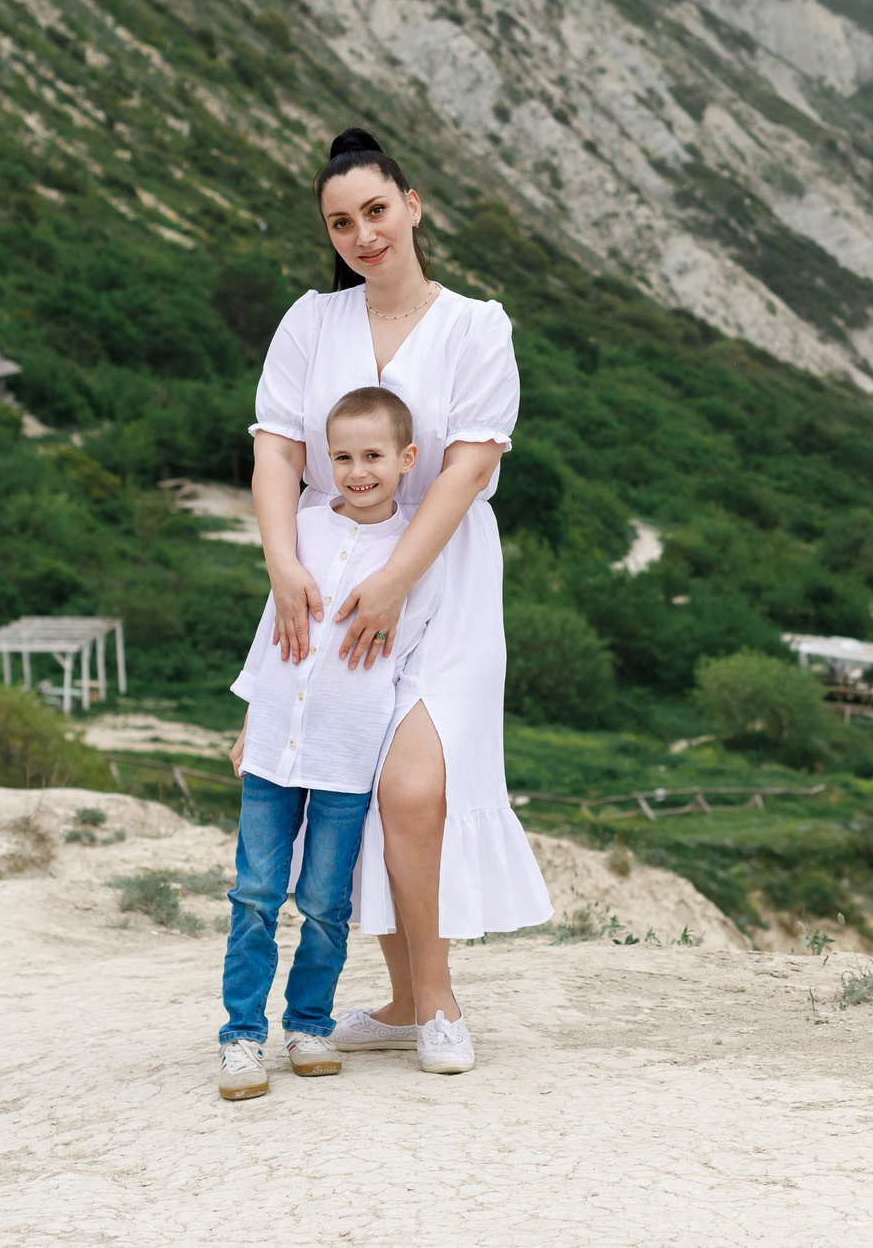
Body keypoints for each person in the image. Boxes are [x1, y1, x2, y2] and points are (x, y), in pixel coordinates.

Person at [249, 128, 551, 1078]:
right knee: (346, 786)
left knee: (414, 788)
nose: (361, 234)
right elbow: (273, 451)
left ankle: (440, 1000)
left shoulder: (476, 324)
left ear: (412, 206)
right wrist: (280, 564)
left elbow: (466, 469)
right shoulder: (310, 321)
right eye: (341, 221)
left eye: (376, 210)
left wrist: (398, 578)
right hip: (327, 579)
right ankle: (400, 1000)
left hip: (443, 578)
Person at [214, 385, 442, 1102]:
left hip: (348, 755)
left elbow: (413, 658)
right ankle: (241, 1037)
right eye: (341, 455)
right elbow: (270, 627)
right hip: (278, 741)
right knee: (255, 892)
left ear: (406, 459)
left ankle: (308, 1023)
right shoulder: (306, 526)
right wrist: (252, 716)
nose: (357, 469)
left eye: (373, 454)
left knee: (322, 901)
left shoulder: (415, 550)